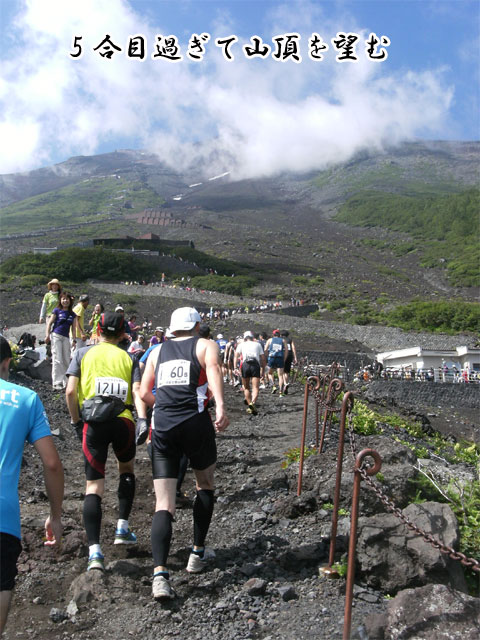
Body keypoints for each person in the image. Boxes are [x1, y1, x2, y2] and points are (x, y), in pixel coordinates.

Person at [140, 307, 229, 600]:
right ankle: (196, 553)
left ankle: (160, 574)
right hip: (195, 422)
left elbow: (143, 393)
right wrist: (220, 408)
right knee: (204, 483)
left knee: (163, 502)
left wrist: (164, 407)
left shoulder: (155, 351)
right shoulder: (205, 345)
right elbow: (214, 371)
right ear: (197, 325)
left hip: (163, 426)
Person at [66, 312, 146, 572]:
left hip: (93, 421)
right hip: (123, 420)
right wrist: (142, 419)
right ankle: (122, 527)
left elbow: (69, 391)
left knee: (93, 486)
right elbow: (137, 391)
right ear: (124, 332)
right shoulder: (130, 357)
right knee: (126, 470)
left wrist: (77, 422)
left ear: (98, 330)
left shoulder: (82, 353)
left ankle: (94, 553)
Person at [0, 336, 64, 635]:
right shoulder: (25, 399)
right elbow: (51, 463)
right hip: (4, 520)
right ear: (7, 363)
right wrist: (55, 514)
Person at [45, 292, 80, 390]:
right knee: (57, 358)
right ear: (60, 300)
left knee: (66, 359)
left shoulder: (72, 314)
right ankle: (57, 382)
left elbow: (73, 328)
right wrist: (47, 335)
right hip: (56, 335)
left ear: (70, 300)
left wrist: (74, 340)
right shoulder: (56, 310)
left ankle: (66, 382)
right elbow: (49, 323)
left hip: (66, 337)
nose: (65, 301)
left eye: (67, 299)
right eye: (63, 299)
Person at [234, 331, 265, 415]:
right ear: (252, 337)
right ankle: (252, 403)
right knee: (255, 387)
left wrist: (235, 367)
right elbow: (263, 358)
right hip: (255, 365)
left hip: (245, 365)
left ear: (245, 337)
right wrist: (263, 369)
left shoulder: (241, 345)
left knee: (246, 387)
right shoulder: (257, 344)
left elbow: (236, 356)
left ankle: (250, 405)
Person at [264, 329, 288, 396]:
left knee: (269, 373)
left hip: (272, 358)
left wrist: (266, 357)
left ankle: (274, 385)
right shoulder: (283, 340)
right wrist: (284, 359)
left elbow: (265, 349)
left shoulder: (270, 340)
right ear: (279, 335)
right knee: (280, 376)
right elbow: (286, 351)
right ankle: (280, 392)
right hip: (280, 358)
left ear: (273, 334)